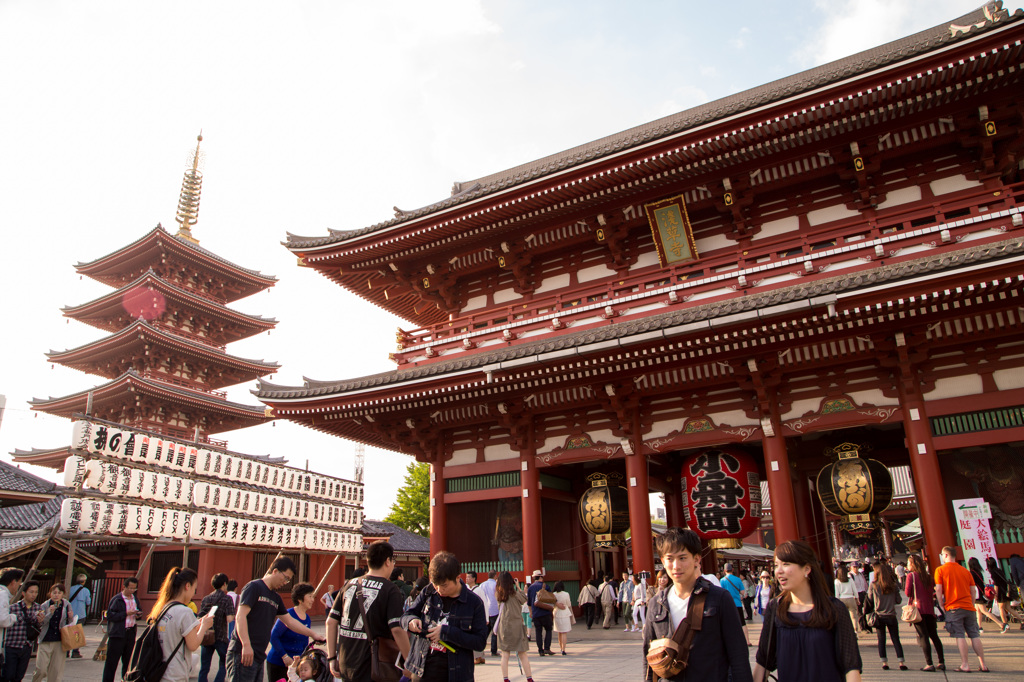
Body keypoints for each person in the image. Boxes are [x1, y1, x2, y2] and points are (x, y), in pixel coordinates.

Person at [642, 528, 752, 682]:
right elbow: (649, 657)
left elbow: (738, 653)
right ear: (662, 561)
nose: (676, 566)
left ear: (696, 559)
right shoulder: (656, 604)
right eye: (670, 559)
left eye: (682, 558)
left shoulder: (719, 599)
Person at [752, 540, 862, 682]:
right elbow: (763, 661)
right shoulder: (775, 609)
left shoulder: (834, 609)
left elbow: (851, 666)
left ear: (807, 569)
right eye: (776, 565)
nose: (778, 571)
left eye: (786, 564)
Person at [228, 558, 323, 682]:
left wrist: (313, 634)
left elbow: (290, 622)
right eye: (285, 578)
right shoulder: (254, 587)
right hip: (243, 652)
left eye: (288, 580)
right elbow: (240, 616)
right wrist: (246, 645)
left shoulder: (275, 598)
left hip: (258, 655)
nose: (285, 582)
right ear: (275, 571)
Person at [327, 541, 411, 682]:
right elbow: (396, 629)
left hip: (346, 664)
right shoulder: (390, 589)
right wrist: (409, 661)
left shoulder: (349, 584)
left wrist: (331, 658)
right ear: (388, 561)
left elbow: (330, 622)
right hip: (373, 667)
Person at [402, 550, 487, 682]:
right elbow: (407, 615)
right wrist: (411, 621)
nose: (439, 590)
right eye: (436, 585)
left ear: (458, 578)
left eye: (444, 585)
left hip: (457, 673)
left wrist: (447, 632)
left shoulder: (474, 603)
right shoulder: (429, 592)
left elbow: (480, 642)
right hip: (422, 670)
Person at [147, 568, 215, 682]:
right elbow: (193, 645)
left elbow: (176, 631)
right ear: (187, 586)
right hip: (175, 674)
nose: (194, 593)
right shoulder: (184, 611)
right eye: (194, 588)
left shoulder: (162, 608)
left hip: (157, 671)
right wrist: (204, 627)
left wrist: (198, 623)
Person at [934, 546, 988, 673]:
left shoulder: (940, 570)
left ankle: (965, 664)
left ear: (946, 555)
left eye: (942, 554)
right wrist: (971, 602)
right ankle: (983, 664)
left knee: (960, 635)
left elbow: (938, 589)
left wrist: (941, 605)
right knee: (974, 635)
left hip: (953, 607)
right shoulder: (965, 571)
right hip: (968, 606)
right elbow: (973, 590)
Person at [267, 582, 315, 682]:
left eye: (313, 597)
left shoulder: (307, 619)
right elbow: (274, 636)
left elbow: (304, 642)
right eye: (310, 596)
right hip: (278, 662)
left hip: (296, 665)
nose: (312, 600)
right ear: (300, 599)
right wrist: (284, 656)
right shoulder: (288, 615)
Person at [905, 553, 944, 671]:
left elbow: (907, 593)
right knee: (934, 636)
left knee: (923, 637)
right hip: (930, 610)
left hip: (918, 610)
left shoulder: (911, 576)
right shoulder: (928, 576)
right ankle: (941, 662)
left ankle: (929, 663)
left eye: (908, 563)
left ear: (912, 564)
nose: (907, 565)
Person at [493, 571, 534, 682]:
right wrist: (517, 586)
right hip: (516, 625)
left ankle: (505, 678)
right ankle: (529, 678)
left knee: (505, 654)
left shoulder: (498, 594)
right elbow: (525, 599)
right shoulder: (515, 594)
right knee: (522, 653)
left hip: (504, 626)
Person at [865, 561, 904, 670]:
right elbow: (898, 600)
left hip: (879, 616)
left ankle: (884, 662)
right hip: (891, 615)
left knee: (881, 639)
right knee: (895, 638)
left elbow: (870, 599)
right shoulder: (893, 585)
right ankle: (901, 662)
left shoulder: (874, 585)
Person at [32, 583, 74, 682]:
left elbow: (71, 624)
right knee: (41, 669)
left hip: (60, 641)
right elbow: (41, 622)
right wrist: (49, 613)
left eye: (59, 593)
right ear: (50, 593)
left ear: (63, 594)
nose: (56, 595)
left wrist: (71, 617)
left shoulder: (67, 605)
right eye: (54, 592)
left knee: (55, 672)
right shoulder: (44, 605)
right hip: (45, 640)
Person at [103, 577, 144, 682]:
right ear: (124, 587)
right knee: (112, 662)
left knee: (128, 661)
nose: (132, 591)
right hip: (117, 633)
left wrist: (138, 614)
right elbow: (110, 615)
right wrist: (125, 613)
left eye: (134, 589)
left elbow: (139, 610)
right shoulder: (117, 599)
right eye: (130, 588)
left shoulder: (135, 599)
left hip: (130, 632)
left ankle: (125, 680)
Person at [199, 573, 237, 682]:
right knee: (224, 663)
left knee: (204, 666)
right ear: (224, 584)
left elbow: (200, 616)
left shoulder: (206, 598)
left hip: (207, 635)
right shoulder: (227, 598)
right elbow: (230, 618)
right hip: (220, 636)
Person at [3, 579, 42, 682]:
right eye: (31, 592)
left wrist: (40, 622)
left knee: (19, 676)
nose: (34, 595)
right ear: (24, 593)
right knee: (8, 675)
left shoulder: (38, 608)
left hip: (27, 646)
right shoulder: (13, 608)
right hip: (12, 646)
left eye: (36, 592)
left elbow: (39, 628)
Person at [965, 556, 1003, 631]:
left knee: (983, 611)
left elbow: (972, 585)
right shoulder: (979, 572)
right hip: (980, 593)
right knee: (978, 611)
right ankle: (979, 627)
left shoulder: (971, 573)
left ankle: (1001, 624)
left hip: (977, 594)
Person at [721, 563, 753, 646]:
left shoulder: (722, 580)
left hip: (727, 604)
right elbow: (743, 592)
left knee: (729, 623)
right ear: (732, 570)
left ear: (724, 571)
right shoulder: (738, 579)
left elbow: (721, 593)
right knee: (742, 622)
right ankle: (747, 641)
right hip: (738, 604)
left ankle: (732, 642)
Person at [0, 568, 24, 672]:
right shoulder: (2, 595)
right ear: (13, 582)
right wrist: (13, 617)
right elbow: (2, 619)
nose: (19, 586)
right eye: (19, 582)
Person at [525, 570, 553, 656]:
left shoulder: (530, 588)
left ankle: (540, 650)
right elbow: (551, 599)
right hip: (545, 612)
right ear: (540, 577)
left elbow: (529, 602)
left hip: (535, 613)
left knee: (538, 631)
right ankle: (547, 648)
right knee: (548, 630)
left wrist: (531, 612)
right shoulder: (546, 586)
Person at [465, 572, 489, 666]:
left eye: (469, 577)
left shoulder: (479, 590)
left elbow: (484, 604)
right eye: (466, 577)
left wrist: (486, 617)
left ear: (474, 578)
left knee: (476, 636)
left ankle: (478, 657)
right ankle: (480, 656)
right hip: (469, 615)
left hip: (477, 616)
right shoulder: (466, 589)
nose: (467, 579)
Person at [66, 573, 91, 659]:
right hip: (80, 614)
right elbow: (88, 602)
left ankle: (67, 651)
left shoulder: (71, 589)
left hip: (70, 613)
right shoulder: (86, 591)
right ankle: (75, 652)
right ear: (84, 581)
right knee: (77, 633)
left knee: (69, 631)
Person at [984, 557, 1011, 634]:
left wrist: (995, 594)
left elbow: (996, 584)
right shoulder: (999, 570)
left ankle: (1005, 624)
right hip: (1005, 590)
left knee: (1001, 608)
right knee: (1008, 607)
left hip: (1001, 592)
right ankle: (1021, 620)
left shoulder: (993, 572)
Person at [833, 564, 859, 634]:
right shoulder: (850, 580)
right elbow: (855, 590)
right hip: (850, 598)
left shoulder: (837, 581)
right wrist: (857, 599)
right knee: (853, 616)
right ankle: (855, 631)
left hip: (842, 599)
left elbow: (837, 593)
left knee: (843, 617)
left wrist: (836, 602)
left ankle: (845, 631)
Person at [479, 571, 499, 658]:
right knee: (495, 631)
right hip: (495, 609)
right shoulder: (496, 585)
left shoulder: (482, 585)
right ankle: (493, 650)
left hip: (485, 610)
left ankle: (480, 647)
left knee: (485, 631)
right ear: (495, 576)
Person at [552, 580, 574, 655]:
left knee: (559, 632)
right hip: (565, 613)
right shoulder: (566, 594)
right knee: (564, 632)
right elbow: (569, 604)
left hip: (557, 612)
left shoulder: (553, 594)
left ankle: (560, 647)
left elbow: (552, 604)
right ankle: (563, 649)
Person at [850, 564, 870, 634]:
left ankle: (867, 626)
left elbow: (864, 583)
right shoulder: (850, 576)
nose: (855, 568)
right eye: (854, 567)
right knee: (859, 612)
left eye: (856, 567)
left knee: (866, 610)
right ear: (851, 568)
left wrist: (866, 591)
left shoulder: (861, 574)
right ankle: (862, 627)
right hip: (856, 594)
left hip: (863, 592)